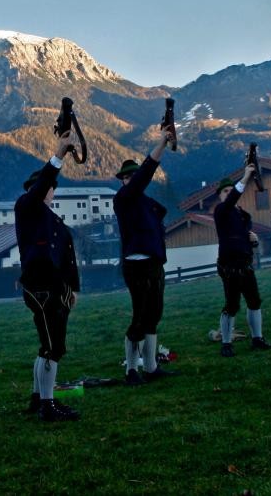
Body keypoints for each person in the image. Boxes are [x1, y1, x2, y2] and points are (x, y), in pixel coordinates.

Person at [16, 129, 81, 422]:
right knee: (52, 346)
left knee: (50, 345)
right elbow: (42, 181)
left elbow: (69, 257)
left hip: (57, 287)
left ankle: (37, 397)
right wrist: (60, 152)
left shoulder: (54, 220)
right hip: (40, 286)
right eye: (47, 186)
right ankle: (47, 404)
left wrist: (74, 288)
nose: (51, 189)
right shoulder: (26, 207)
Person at [113, 129, 178, 384]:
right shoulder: (123, 199)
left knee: (154, 315)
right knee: (139, 317)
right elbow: (145, 175)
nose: (131, 179)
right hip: (136, 264)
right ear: (123, 181)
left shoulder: (148, 204)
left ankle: (150, 367)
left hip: (153, 262)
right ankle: (131, 369)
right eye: (127, 177)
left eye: (133, 175)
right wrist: (161, 144)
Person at [213, 164, 271, 357]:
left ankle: (257, 338)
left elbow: (242, 239)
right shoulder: (221, 210)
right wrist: (246, 177)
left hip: (245, 264)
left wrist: (253, 241)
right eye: (225, 191)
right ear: (221, 196)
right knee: (232, 304)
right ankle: (226, 342)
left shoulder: (243, 215)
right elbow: (231, 200)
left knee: (254, 301)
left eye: (231, 190)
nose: (229, 193)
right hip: (229, 265)